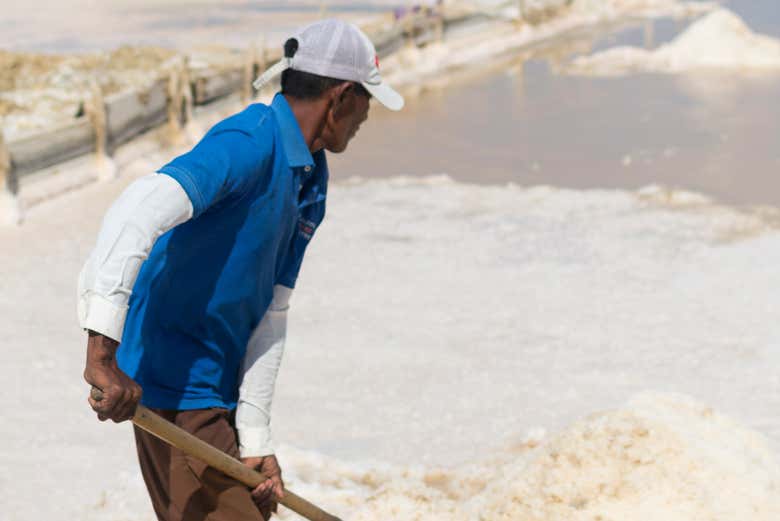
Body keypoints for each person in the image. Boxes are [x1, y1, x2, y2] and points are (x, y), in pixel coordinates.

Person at [78, 19, 403, 521]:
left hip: (215, 392)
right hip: (175, 386)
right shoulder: (248, 143)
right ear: (341, 98)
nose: (367, 114)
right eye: (367, 99)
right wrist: (102, 356)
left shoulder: (311, 178)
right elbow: (135, 211)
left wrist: (254, 438)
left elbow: (272, 313)